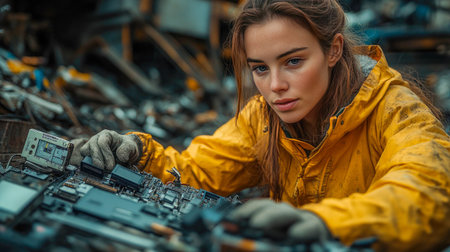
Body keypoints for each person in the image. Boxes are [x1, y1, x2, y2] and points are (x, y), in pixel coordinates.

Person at [70, 0, 450, 251]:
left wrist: (327, 222)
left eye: (294, 62)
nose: (275, 86)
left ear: (333, 50)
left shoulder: (397, 110)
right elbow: (196, 172)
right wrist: (137, 151)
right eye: (260, 68)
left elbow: (427, 195)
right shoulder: (261, 118)